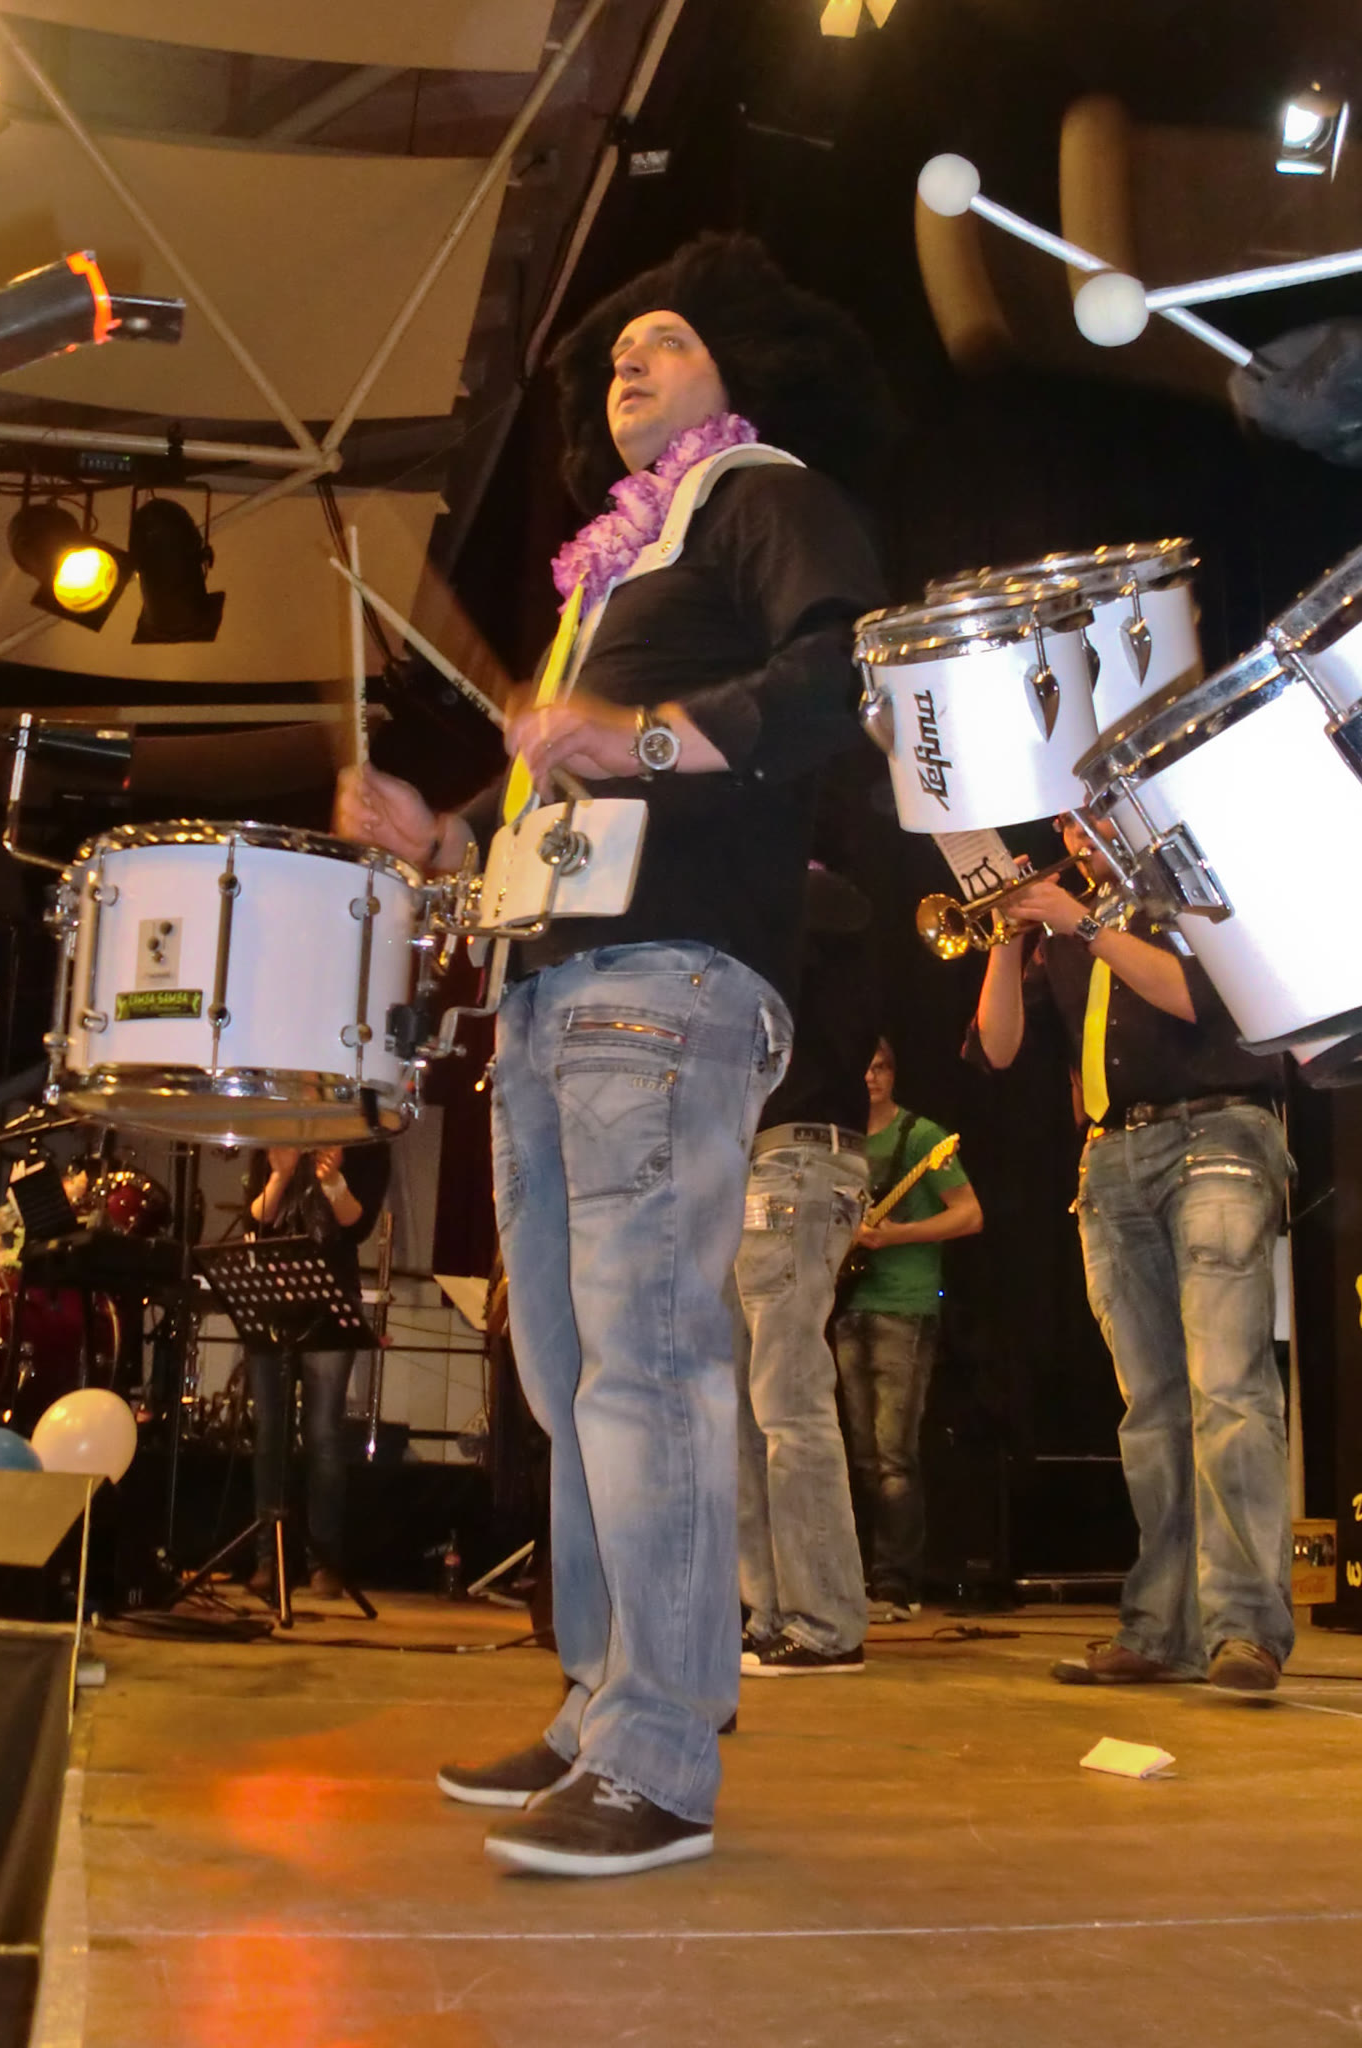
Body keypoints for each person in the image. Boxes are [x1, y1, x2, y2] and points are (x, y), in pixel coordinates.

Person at [337, 232, 892, 1876]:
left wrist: (638, 732)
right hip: (554, 982)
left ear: (739, 366)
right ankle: (603, 1704)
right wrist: (445, 834)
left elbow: (842, 673)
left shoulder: (764, 496)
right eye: (616, 351)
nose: (627, 363)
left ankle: (658, 1752)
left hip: (668, 977)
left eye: (665, 339)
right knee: (571, 1371)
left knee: (645, 1356)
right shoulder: (614, 577)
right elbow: (568, 803)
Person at [969, 817, 1292, 1692]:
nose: (1075, 831)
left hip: (1217, 1133)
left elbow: (1201, 1000)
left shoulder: (1194, 888)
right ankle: (1161, 1631)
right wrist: (1007, 938)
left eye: (1090, 812)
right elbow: (997, 1048)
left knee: (1228, 1390)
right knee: (1150, 1409)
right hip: (1110, 1159)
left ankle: (1245, 1630)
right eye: (1066, 818)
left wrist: (1079, 923)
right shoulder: (1068, 926)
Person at [734, 867, 878, 1676]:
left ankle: (825, 1620)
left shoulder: (823, 902)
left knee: (787, 1399)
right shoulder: (786, 905)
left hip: (797, 1160)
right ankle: (770, 1611)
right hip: (758, 1162)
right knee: (745, 1407)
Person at [834, 1037, 982, 1622]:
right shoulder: (842, 1141)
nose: (872, 1077)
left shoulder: (921, 1136)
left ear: (894, 1074)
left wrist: (896, 1235)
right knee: (862, 1455)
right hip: (846, 1302)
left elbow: (969, 1215)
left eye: (881, 1068)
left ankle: (897, 1584)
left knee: (894, 1452)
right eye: (864, 1068)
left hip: (905, 1303)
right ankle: (868, 1576)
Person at [242, 1142, 390, 1600]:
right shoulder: (276, 1134)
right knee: (270, 1429)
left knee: (323, 1431)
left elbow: (358, 1226)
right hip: (272, 1298)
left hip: (330, 1297)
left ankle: (324, 1559)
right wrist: (281, 1175)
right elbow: (255, 1220)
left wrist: (332, 1182)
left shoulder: (367, 1146)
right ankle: (269, 1557)